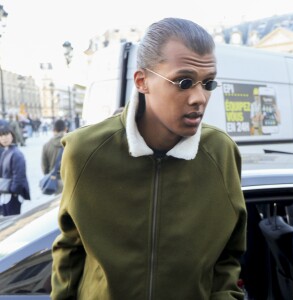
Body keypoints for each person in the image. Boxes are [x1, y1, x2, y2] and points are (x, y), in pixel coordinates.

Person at [51, 18, 247, 300]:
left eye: (208, 83)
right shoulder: (84, 152)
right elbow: (69, 249)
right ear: (142, 81)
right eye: (184, 82)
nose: (199, 98)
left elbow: (229, 255)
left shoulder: (221, 153)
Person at [0, 126, 30, 216]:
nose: (4, 138)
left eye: (6, 135)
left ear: (12, 136)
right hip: (6, 193)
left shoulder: (16, 154)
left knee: (12, 221)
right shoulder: (5, 151)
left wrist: (13, 191)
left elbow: (19, 176)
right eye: (1, 136)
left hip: (12, 195)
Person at [41, 119, 66, 194]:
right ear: (65, 129)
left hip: (55, 180)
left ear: (54, 130)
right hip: (69, 180)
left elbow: (44, 166)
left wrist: (49, 175)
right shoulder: (71, 143)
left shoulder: (46, 145)